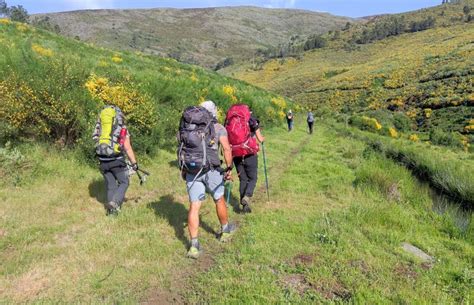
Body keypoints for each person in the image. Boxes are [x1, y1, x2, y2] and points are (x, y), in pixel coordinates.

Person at [178, 101, 236, 259]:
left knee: (194, 206)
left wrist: (184, 170)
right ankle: (225, 231)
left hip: (192, 169)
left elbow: (183, 148)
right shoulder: (218, 128)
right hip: (212, 169)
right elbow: (226, 149)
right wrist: (229, 168)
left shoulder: (188, 126)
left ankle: (194, 246)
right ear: (214, 112)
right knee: (219, 199)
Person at [92, 105, 138, 216]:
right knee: (124, 182)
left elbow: (95, 139)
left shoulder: (100, 126)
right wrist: (134, 163)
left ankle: (112, 214)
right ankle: (115, 202)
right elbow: (127, 147)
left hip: (102, 160)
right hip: (116, 161)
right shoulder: (121, 128)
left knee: (111, 185)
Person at [225, 104, 265, 213]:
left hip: (236, 154)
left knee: (243, 179)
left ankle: (244, 205)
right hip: (249, 153)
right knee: (253, 178)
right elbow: (260, 139)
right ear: (248, 111)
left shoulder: (229, 120)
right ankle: (247, 196)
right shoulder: (251, 120)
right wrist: (262, 139)